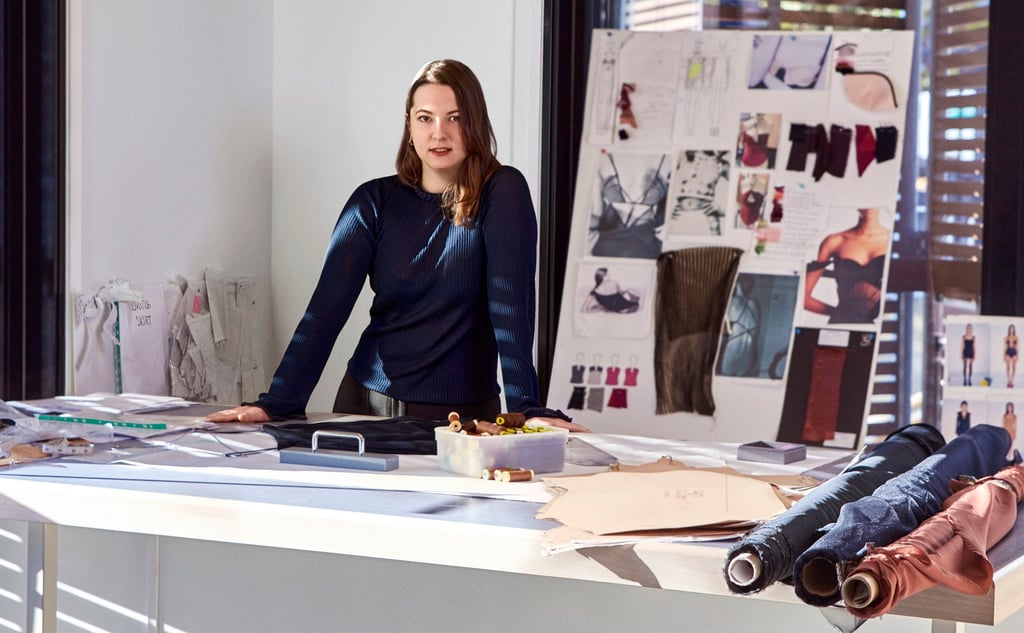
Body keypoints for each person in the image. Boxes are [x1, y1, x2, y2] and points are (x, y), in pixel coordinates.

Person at [206, 60, 587, 432]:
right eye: (425, 118)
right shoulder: (372, 202)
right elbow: (325, 312)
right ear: (409, 124)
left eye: (454, 118)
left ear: (475, 122)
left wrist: (526, 409)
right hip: (367, 407)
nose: (439, 133)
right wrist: (276, 402)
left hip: (465, 421)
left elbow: (512, 310)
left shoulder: (502, 193)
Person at [804, 207, 890, 324]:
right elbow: (803, 298)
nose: (869, 207)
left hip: (878, 328)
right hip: (841, 323)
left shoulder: (892, 241)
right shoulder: (834, 241)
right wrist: (840, 313)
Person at [1005, 324, 1018, 388]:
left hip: (1014, 351)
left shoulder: (1016, 337)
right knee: (1008, 366)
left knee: (1014, 366)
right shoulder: (1006, 337)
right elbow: (1004, 347)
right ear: (1009, 330)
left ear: (1014, 330)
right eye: (1010, 329)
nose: (1011, 330)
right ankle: (1008, 380)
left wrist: (1018, 355)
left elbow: (1017, 347)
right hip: (1008, 351)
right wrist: (1003, 355)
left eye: (1012, 329)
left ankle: (1012, 380)